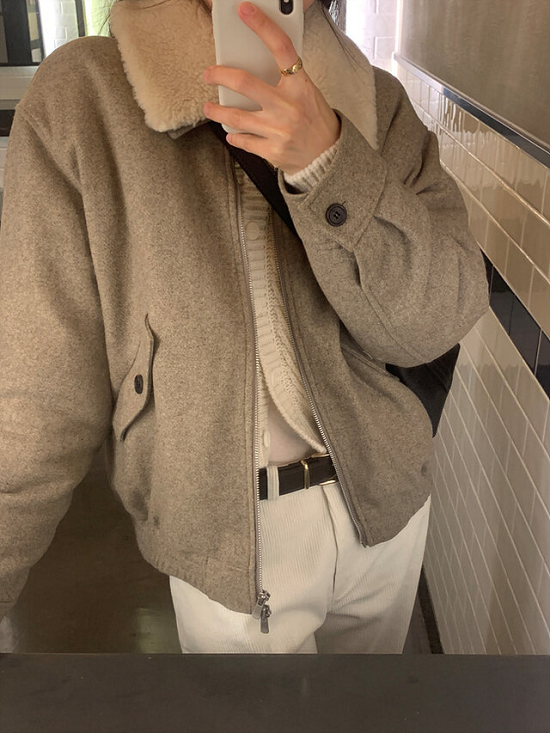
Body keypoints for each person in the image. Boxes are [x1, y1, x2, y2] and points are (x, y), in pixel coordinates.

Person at [0, 0, 489, 653]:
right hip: (227, 531)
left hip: (385, 503)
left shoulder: (377, 101)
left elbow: (440, 316)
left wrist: (329, 163)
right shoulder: (83, 98)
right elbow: (37, 395)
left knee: (375, 705)